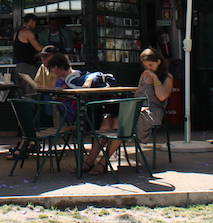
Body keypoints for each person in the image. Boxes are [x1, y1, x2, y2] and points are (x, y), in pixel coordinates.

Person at [72, 47, 173, 175]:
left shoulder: (167, 77)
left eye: (150, 65)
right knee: (108, 121)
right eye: (145, 66)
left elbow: (162, 96)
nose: (148, 68)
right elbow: (137, 94)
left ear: (158, 62)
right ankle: (90, 160)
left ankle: (103, 162)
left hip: (153, 112)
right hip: (138, 108)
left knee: (121, 123)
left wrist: (155, 78)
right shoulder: (143, 75)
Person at [13, 13, 44, 94]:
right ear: (31, 21)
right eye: (35, 23)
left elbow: (23, 52)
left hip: (18, 67)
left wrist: (37, 55)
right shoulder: (27, 32)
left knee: (21, 94)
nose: (35, 26)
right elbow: (38, 48)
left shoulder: (16, 34)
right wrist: (49, 47)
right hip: (28, 68)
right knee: (32, 93)